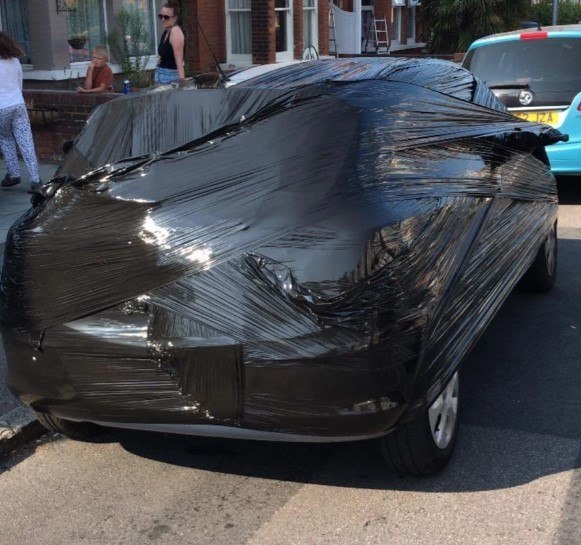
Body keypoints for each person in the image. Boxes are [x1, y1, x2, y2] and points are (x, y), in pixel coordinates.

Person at [0, 31, 41, 192]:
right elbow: (19, 84)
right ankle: (35, 179)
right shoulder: (15, 62)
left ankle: (14, 174)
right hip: (18, 104)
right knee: (26, 141)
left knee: (5, 138)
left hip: (2, 107)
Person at [155, 1, 185, 84]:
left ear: (175, 18)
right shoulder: (167, 31)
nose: (163, 19)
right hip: (161, 75)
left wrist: (182, 84)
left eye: (166, 17)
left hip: (170, 78)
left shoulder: (175, 31)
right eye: (161, 16)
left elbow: (179, 62)